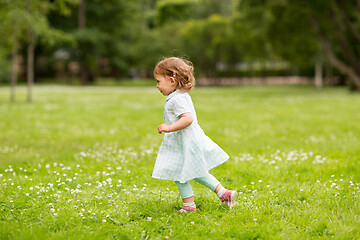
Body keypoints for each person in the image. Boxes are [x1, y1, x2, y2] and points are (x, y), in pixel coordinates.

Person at [152, 57, 237, 213]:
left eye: (158, 81)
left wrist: (170, 127)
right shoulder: (179, 96)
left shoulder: (177, 99)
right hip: (186, 141)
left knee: (179, 172)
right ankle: (223, 193)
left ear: (171, 80)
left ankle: (189, 206)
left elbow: (188, 119)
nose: (156, 85)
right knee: (195, 171)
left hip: (185, 142)